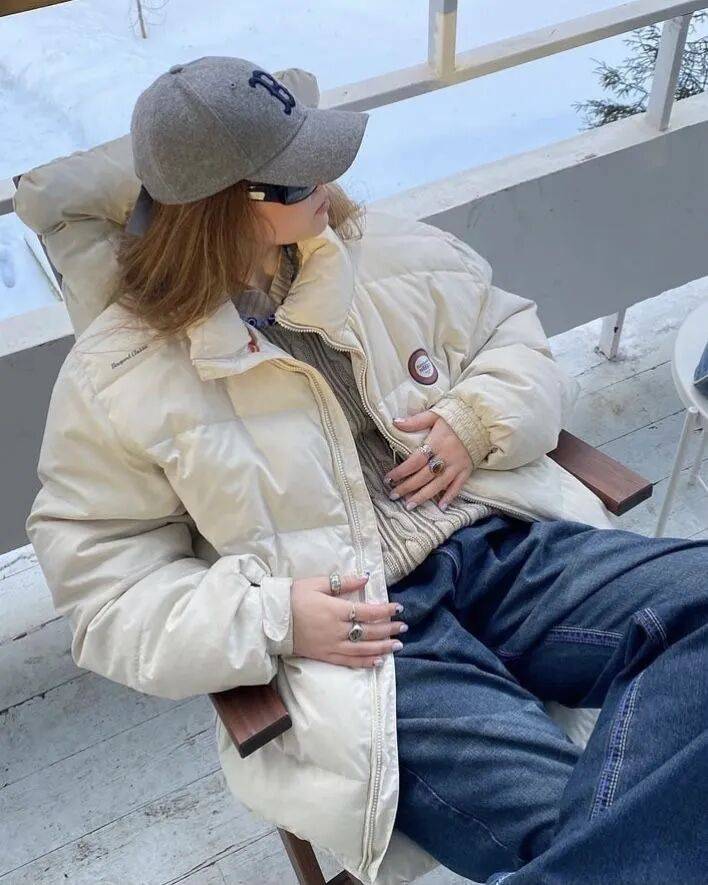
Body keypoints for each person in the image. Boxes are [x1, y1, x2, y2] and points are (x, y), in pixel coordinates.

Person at [23, 56, 707, 885]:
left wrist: (476, 418)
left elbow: (509, 333)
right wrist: (271, 617)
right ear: (227, 208)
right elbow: (103, 589)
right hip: (365, 638)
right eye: (301, 171)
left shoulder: (380, 250)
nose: (331, 179)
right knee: (568, 831)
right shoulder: (117, 376)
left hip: (502, 546)